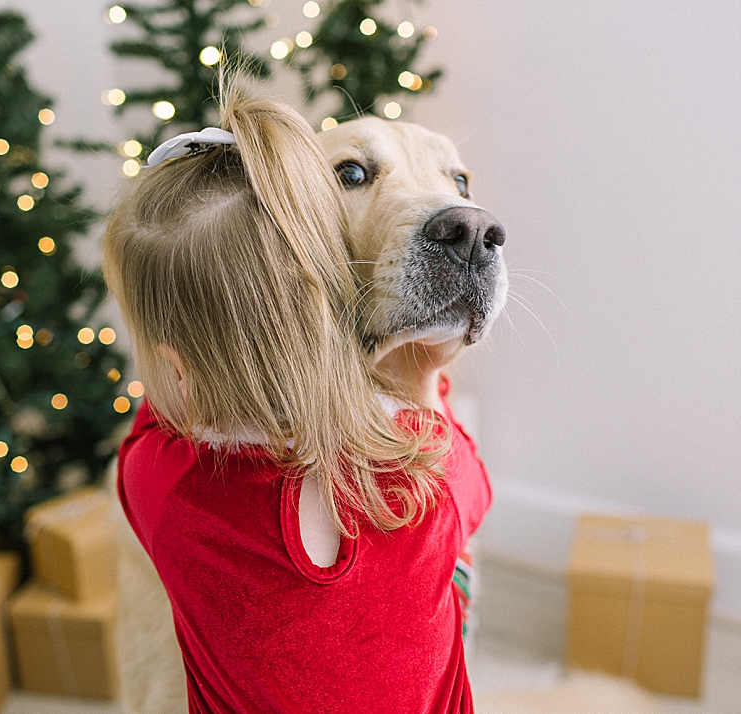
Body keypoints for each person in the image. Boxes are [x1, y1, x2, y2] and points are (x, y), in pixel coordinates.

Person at [102, 84, 491, 713]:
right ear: (293, 250)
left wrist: (182, 355)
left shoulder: (164, 488)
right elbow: (471, 486)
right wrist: (423, 387)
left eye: (459, 183)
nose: (459, 218)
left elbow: (145, 437)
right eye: (354, 174)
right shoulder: (431, 488)